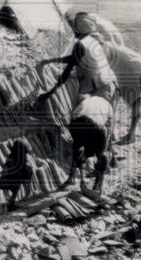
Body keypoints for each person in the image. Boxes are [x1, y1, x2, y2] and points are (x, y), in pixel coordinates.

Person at [37, 12, 120, 157]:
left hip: (101, 87)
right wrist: (51, 61)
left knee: (97, 121)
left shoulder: (81, 45)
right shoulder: (92, 40)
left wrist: (49, 93)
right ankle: (105, 154)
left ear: (77, 30)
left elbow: (67, 70)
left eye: (74, 28)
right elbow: (73, 59)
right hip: (108, 83)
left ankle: (103, 157)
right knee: (104, 121)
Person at [103, 42, 141, 145]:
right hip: (138, 72)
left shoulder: (110, 52)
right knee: (116, 101)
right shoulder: (113, 49)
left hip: (138, 75)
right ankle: (113, 132)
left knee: (135, 105)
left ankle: (131, 135)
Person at [60, 94, 114, 193]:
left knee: (100, 155)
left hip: (94, 126)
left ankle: (97, 184)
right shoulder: (77, 119)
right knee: (80, 150)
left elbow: (102, 155)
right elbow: (78, 150)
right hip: (83, 123)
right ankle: (77, 180)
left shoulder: (101, 124)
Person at [0, 137, 37, 211]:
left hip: (14, 177)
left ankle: (11, 203)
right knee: (15, 190)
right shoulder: (14, 158)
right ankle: (10, 204)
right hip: (12, 177)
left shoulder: (16, 156)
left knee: (15, 190)